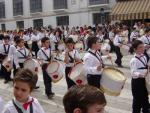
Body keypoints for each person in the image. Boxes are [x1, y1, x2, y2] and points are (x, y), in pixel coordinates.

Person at [130, 40, 150, 113]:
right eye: (140, 47)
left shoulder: (144, 56)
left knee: (145, 98)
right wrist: (140, 74)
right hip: (137, 82)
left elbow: (145, 65)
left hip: (143, 80)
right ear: (135, 49)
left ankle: (146, 110)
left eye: (143, 47)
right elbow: (133, 73)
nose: (143, 49)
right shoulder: (134, 60)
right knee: (137, 101)